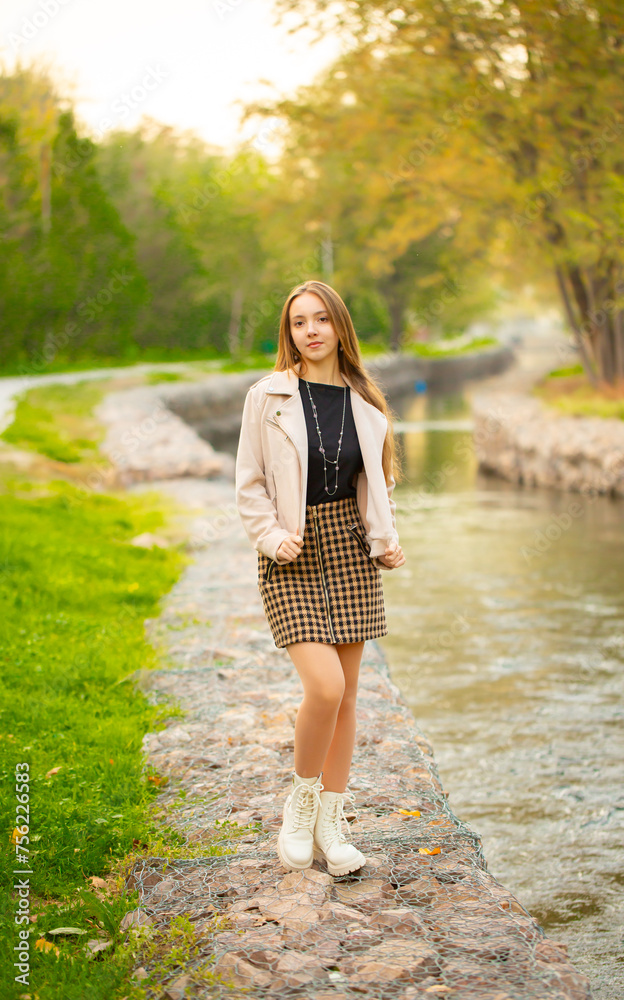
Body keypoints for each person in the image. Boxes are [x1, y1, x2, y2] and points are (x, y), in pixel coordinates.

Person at [235, 279, 405, 876]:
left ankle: (332, 825)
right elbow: (250, 482)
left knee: (350, 694)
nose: (310, 331)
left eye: (320, 320)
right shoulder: (269, 396)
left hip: (351, 550)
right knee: (325, 688)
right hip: (292, 550)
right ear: (290, 333)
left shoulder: (366, 404)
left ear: (339, 328)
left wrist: (387, 541)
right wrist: (270, 536)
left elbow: (376, 485)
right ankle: (300, 805)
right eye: (299, 322)